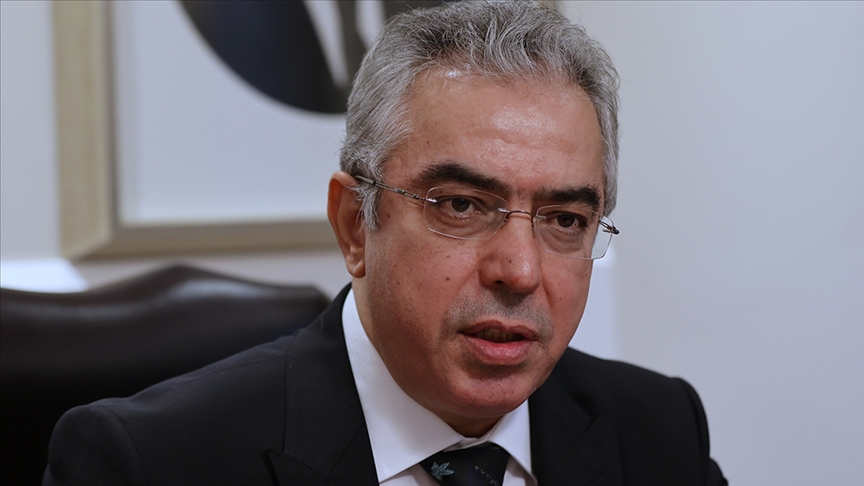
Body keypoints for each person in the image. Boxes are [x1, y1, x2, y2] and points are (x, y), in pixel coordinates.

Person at [44, 2, 727, 485]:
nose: (520, 270)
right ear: (354, 225)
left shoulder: (658, 431)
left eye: (565, 220)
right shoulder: (150, 462)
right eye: (462, 206)